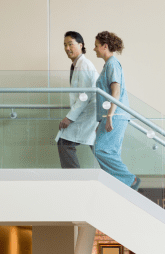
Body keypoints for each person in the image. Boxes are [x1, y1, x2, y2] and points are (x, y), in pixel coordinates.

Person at [93, 31, 140, 190]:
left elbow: (116, 92)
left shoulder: (112, 64)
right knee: (111, 152)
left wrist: (109, 116)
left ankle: (129, 180)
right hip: (113, 115)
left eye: (96, 46)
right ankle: (119, 185)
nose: (94, 49)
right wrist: (102, 119)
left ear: (104, 46)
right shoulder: (109, 64)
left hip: (116, 115)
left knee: (101, 150)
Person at [56, 31, 99, 168]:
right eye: (64, 45)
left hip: (89, 111)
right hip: (88, 112)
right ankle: (124, 179)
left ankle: (75, 179)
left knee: (65, 142)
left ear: (81, 45)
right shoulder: (77, 65)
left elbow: (84, 96)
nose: (67, 48)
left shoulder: (84, 64)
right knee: (97, 147)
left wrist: (69, 117)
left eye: (70, 44)